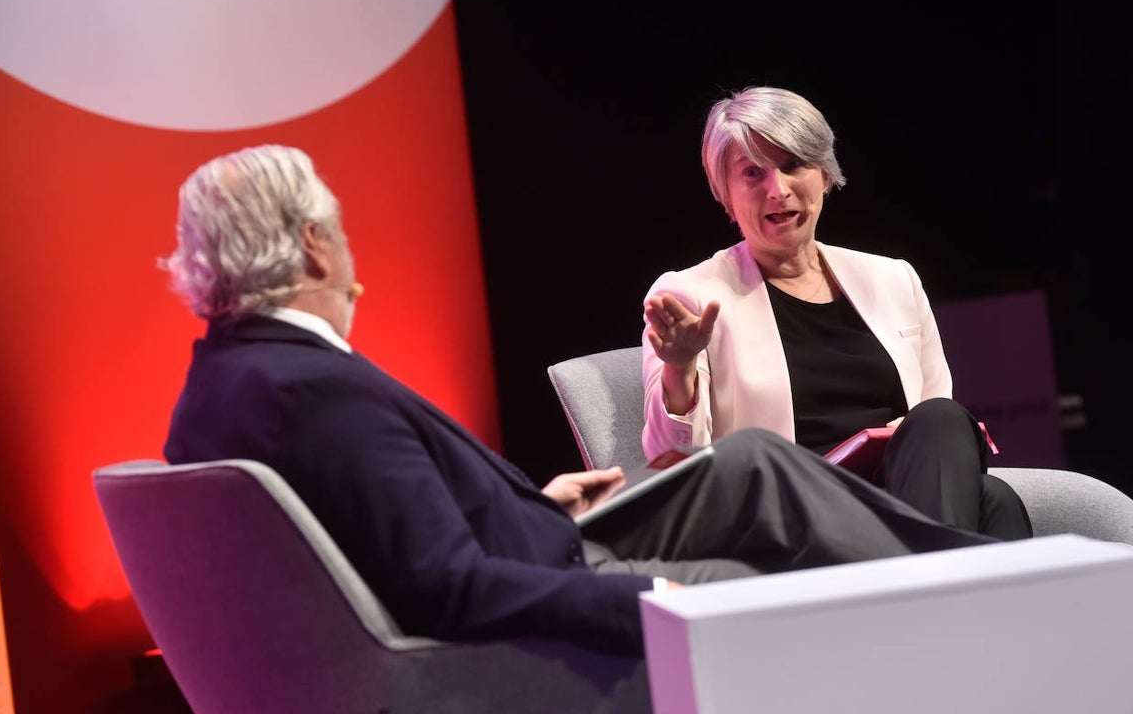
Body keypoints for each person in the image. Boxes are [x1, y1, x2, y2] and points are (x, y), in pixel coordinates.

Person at [162, 143, 1000, 658]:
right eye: (340, 233)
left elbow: (398, 518)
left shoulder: (226, 383)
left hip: (541, 530)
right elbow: (446, 586)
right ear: (313, 249)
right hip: (556, 573)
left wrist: (534, 498)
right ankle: (969, 609)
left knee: (753, 463)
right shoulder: (316, 391)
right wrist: (652, 599)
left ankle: (958, 593)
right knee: (772, 507)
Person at [642, 85, 1033, 541]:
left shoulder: (893, 279)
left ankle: (929, 593)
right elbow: (670, 466)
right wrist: (679, 367)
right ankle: (941, 595)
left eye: (793, 166)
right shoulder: (692, 294)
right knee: (992, 500)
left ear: (824, 175)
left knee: (968, 458)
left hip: (899, 498)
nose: (778, 190)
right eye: (752, 173)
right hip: (788, 516)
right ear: (725, 193)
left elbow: (932, 422)